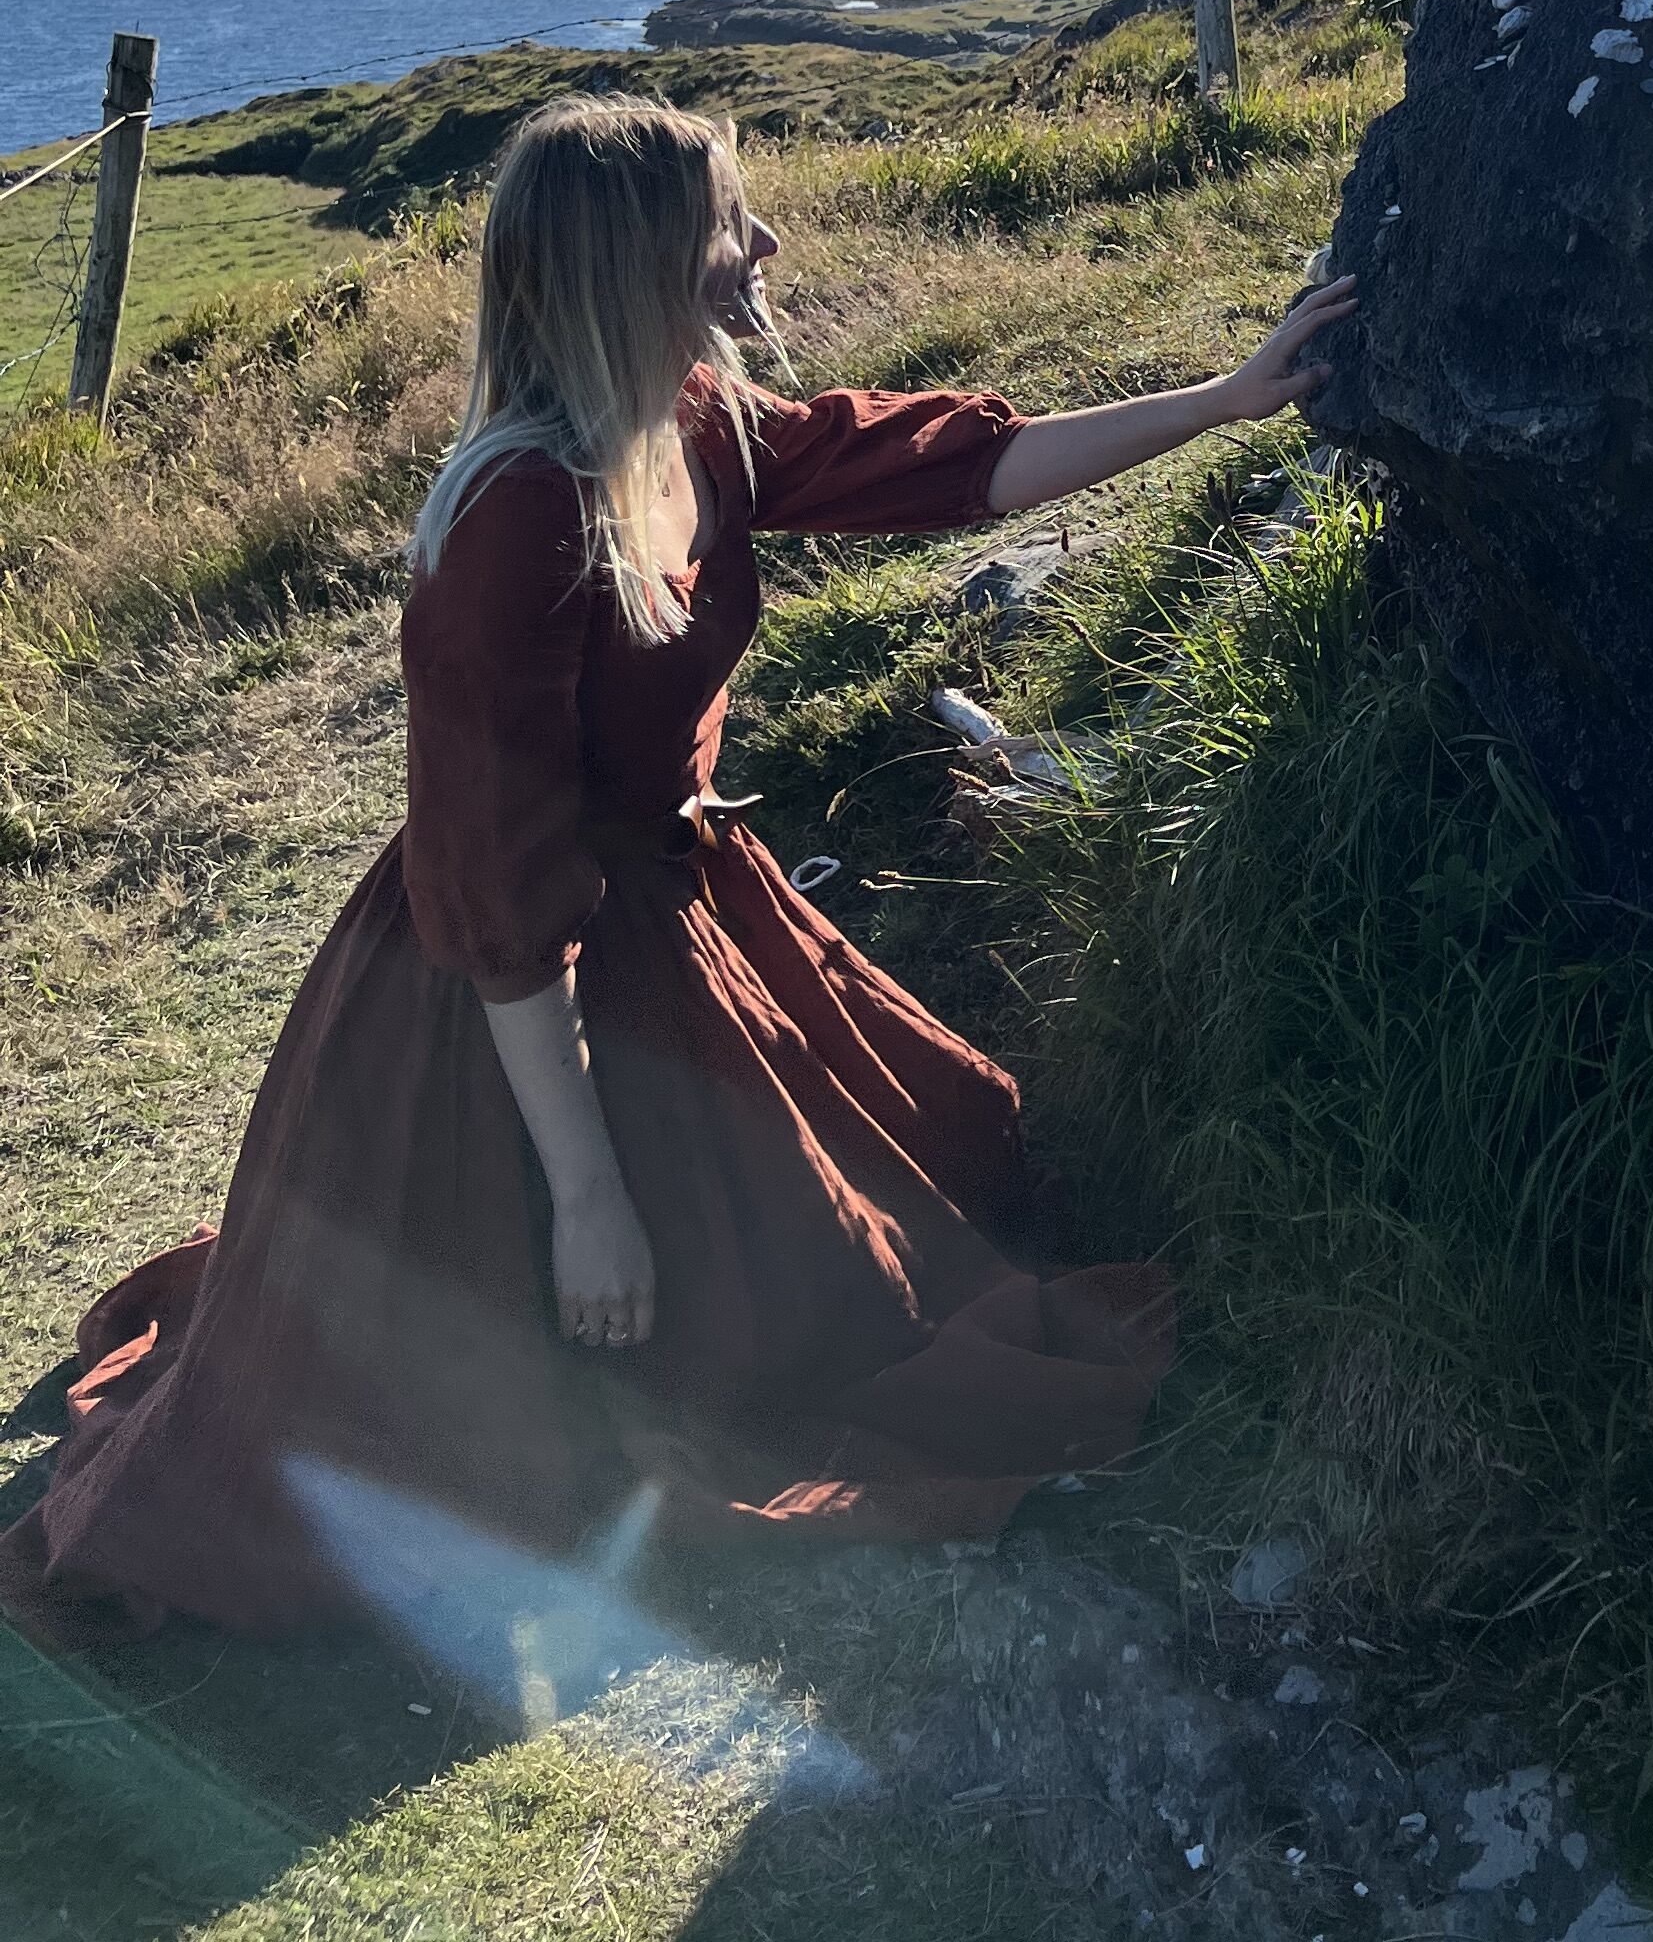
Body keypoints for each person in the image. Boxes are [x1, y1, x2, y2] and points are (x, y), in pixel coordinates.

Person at [0, 92, 1354, 1640]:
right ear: (633, 267)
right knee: (633, 1338)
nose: (762, 243)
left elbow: (951, 471)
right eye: (728, 221)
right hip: (514, 994)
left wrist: (1225, 400)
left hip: (678, 903)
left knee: (923, 1203)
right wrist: (586, 1198)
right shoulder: (518, 522)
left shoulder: (696, 418)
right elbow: (502, 908)